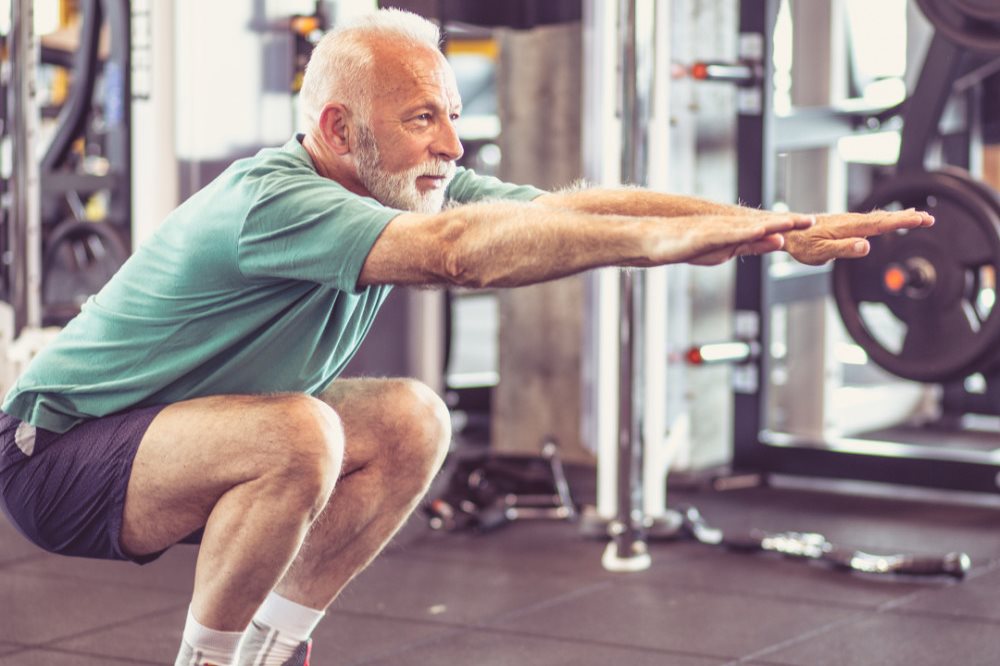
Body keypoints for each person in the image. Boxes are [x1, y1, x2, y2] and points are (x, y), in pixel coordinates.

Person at [0, 8, 933, 666]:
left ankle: (276, 649)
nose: (453, 142)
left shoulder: (415, 180)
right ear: (337, 128)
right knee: (302, 433)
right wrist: (667, 242)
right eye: (422, 119)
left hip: (184, 429)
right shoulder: (272, 199)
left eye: (451, 112)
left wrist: (762, 222)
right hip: (58, 452)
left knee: (412, 417)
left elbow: (571, 209)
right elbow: (457, 257)